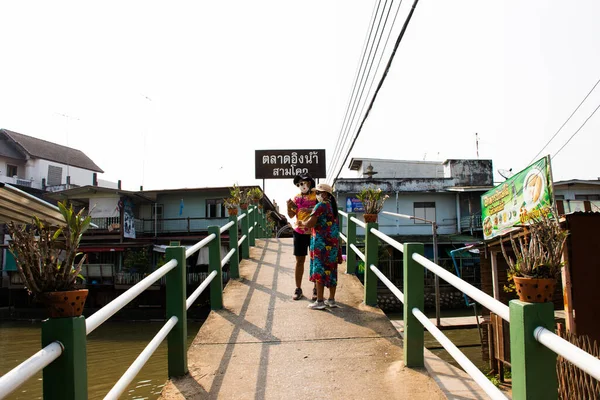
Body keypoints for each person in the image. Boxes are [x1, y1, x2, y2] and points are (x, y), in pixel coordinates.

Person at [297, 183, 340, 310]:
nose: (317, 195)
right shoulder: (333, 207)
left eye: (318, 192)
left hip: (321, 243)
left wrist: (301, 223)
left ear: (325, 194)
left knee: (319, 270)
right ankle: (331, 299)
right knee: (332, 270)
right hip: (332, 243)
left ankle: (320, 301)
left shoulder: (320, 206)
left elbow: (311, 223)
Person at [286, 173, 317, 300]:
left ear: (309, 182)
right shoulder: (296, 198)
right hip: (299, 231)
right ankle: (298, 288)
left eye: (303, 182)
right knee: (300, 261)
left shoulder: (317, 195)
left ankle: (316, 288)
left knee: (316, 260)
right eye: (299, 184)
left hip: (314, 231)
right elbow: (292, 215)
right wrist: (288, 207)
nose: (301, 185)